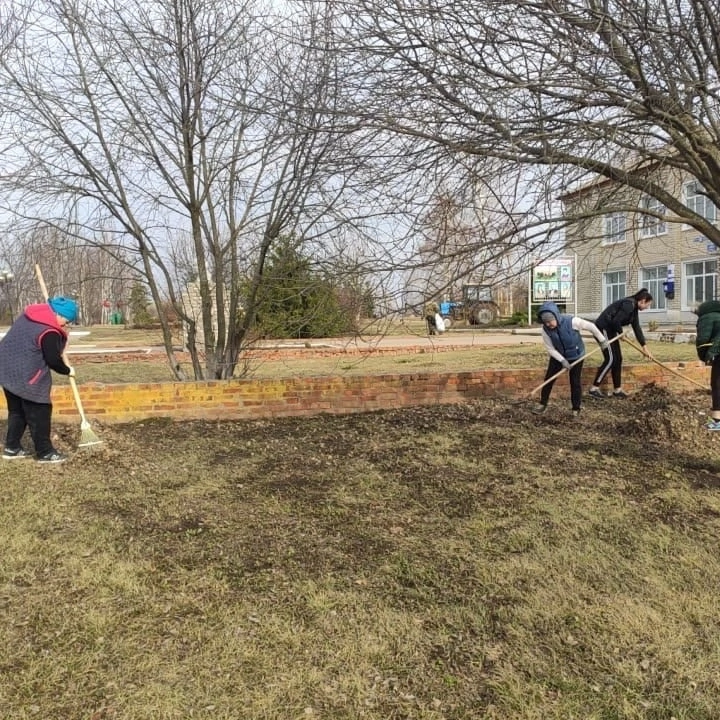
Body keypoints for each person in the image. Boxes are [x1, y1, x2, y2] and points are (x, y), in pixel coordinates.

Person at [0, 296, 78, 463]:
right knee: (40, 411)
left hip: (6, 370)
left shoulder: (31, 315)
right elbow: (53, 360)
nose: (65, 324)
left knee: (17, 411)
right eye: (67, 320)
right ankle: (45, 452)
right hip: (28, 376)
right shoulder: (49, 330)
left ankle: (12, 448)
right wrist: (67, 370)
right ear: (59, 314)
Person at [533, 301, 606, 417]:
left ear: (556, 316)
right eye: (545, 322)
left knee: (575, 381)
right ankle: (542, 404)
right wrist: (562, 360)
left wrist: (602, 340)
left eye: (550, 321)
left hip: (577, 355)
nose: (548, 324)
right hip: (558, 356)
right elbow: (550, 349)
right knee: (549, 379)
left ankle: (576, 409)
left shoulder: (572, 321)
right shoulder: (545, 330)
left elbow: (591, 327)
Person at [588, 288, 653, 399]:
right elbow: (615, 321)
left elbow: (637, 328)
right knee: (611, 359)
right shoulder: (629, 304)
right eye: (648, 305)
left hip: (611, 330)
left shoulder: (634, 309)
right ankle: (594, 389)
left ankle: (617, 390)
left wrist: (644, 347)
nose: (647, 307)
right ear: (642, 301)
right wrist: (621, 333)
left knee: (618, 359)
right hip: (603, 329)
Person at [695, 299, 720, 430]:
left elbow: (702, 341)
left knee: (717, 384)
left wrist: (704, 356)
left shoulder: (706, 317)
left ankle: (717, 422)